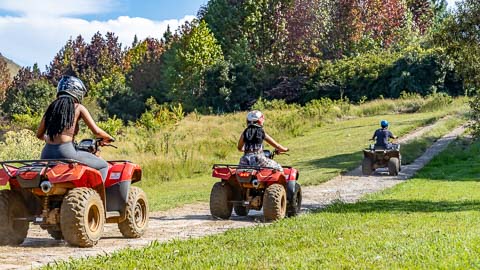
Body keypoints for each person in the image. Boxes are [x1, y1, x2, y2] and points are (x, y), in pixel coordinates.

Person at [36, 75, 114, 181]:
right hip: (66, 153)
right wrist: (109, 138)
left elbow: (39, 135)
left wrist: (51, 139)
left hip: (46, 154)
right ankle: (96, 197)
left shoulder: (52, 108)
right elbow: (96, 131)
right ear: (77, 91)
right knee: (103, 165)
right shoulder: (78, 107)